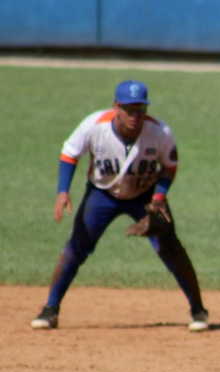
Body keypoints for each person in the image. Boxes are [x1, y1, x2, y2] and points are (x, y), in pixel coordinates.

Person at [30, 80, 210, 332]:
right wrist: (63, 191)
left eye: (140, 109)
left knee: (171, 248)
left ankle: (198, 310)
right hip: (102, 194)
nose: (135, 116)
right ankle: (50, 310)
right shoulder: (94, 126)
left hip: (146, 195)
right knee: (76, 247)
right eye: (129, 109)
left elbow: (169, 167)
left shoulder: (160, 133)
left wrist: (158, 199)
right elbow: (69, 154)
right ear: (116, 106)